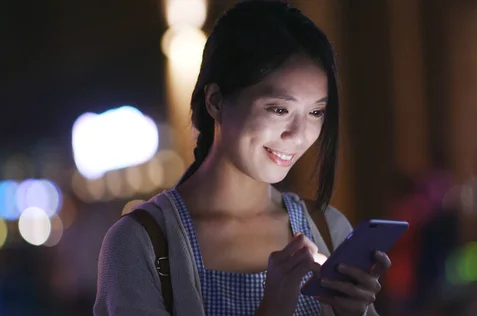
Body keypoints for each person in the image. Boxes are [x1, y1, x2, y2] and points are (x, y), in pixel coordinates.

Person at [94, 1, 390, 316]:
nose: (300, 134)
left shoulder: (328, 228)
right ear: (216, 101)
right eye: (279, 109)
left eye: (316, 112)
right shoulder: (141, 243)